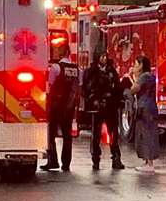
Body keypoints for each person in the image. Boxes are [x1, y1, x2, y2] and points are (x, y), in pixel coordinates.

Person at [41, 41, 80, 172]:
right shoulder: (76, 69)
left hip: (57, 105)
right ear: (69, 53)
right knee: (67, 135)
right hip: (69, 106)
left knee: (51, 134)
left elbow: (51, 84)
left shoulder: (56, 68)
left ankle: (53, 161)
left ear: (61, 53)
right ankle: (66, 164)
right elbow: (78, 87)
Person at [83, 52, 125, 170]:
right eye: (101, 56)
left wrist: (118, 101)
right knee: (96, 134)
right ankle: (96, 159)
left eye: (105, 56)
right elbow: (86, 88)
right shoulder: (91, 71)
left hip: (110, 106)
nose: (104, 59)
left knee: (113, 133)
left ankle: (116, 158)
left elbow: (117, 87)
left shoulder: (112, 71)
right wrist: (93, 100)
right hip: (97, 107)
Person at [130, 55, 161, 173]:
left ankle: (149, 163)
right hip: (148, 107)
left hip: (146, 109)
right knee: (144, 134)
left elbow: (134, 89)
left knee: (147, 134)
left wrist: (132, 77)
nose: (134, 67)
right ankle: (147, 162)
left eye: (136, 64)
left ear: (142, 65)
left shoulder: (144, 76)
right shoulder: (149, 76)